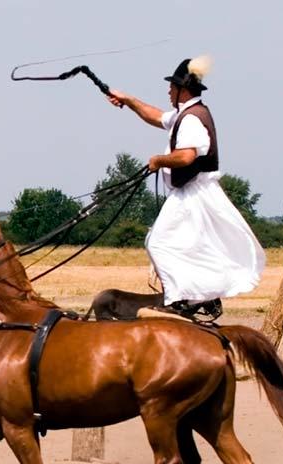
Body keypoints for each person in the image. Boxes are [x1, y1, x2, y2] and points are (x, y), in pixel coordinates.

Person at [106, 56, 265, 321]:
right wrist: (129, 100)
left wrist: (159, 160)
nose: (168, 91)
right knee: (181, 244)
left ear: (182, 90)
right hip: (191, 191)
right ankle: (200, 296)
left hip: (193, 192)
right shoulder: (186, 114)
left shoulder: (191, 119)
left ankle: (179, 300)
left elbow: (186, 157)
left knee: (159, 243)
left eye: (172, 87)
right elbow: (155, 116)